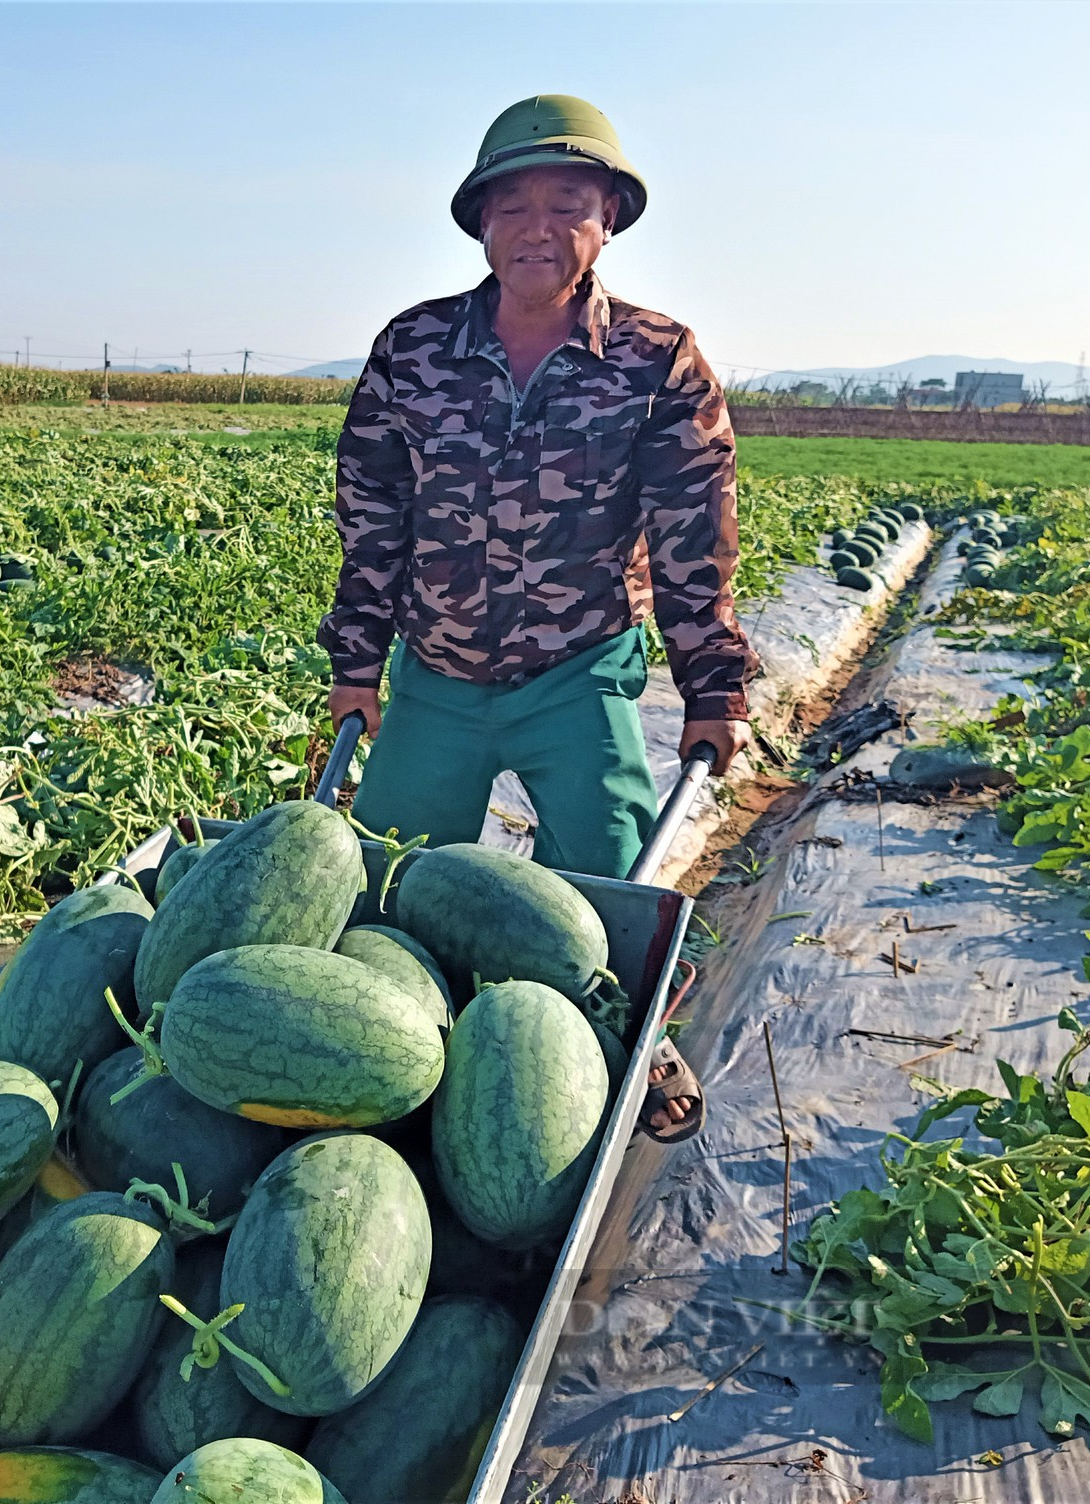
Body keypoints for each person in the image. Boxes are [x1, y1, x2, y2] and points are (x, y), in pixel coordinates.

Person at [318, 95, 759, 1142]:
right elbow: (372, 517)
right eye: (511, 204)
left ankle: (629, 1045)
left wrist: (712, 686)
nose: (535, 227)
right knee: (386, 889)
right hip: (436, 677)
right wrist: (353, 664)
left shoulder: (657, 360)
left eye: (566, 203)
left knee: (604, 902)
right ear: (478, 222)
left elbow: (695, 530)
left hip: (577, 676)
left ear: (605, 221)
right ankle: (389, 1067)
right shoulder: (412, 351)